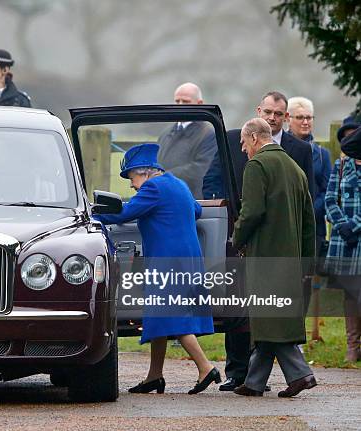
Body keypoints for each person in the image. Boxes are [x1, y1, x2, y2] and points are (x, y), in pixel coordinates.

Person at [93, 143, 221, 395]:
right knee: (160, 315)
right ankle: (154, 376)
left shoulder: (152, 187)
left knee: (171, 316)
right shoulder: (178, 184)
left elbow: (124, 213)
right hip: (189, 260)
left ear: (144, 172)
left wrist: (92, 216)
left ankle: (206, 367)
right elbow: (195, 211)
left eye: (131, 177)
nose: (131, 185)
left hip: (167, 261)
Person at [218, 91, 316, 392]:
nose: (244, 150)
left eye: (244, 144)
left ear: (255, 138)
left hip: (265, 257)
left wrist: (237, 239)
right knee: (270, 320)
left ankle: (301, 375)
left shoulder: (257, 166)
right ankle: (254, 382)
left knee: (268, 319)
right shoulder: (294, 168)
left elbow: (252, 212)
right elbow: (309, 219)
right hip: (291, 258)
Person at [324, 121, 361, 363]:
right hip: (344, 241)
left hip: (357, 235)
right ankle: (353, 346)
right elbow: (329, 198)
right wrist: (342, 225)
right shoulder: (340, 166)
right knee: (350, 293)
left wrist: (355, 225)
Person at [157, 83, 217, 199]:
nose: (180, 105)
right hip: (163, 198)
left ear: (199, 104)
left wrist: (162, 177)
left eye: (185, 102)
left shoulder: (209, 134)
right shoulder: (165, 134)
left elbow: (200, 170)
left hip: (190, 201)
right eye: (177, 101)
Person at [287, 97, 331, 252]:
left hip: (315, 225)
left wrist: (310, 211)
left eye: (309, 117)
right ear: (288, 119)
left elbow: (328, 190)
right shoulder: (281, 149)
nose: (305, 122)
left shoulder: (322, 154)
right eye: (300, 117)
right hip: (286, 224)